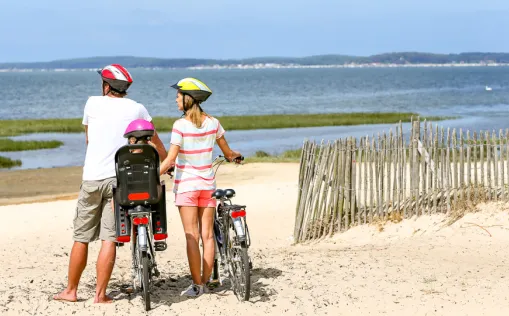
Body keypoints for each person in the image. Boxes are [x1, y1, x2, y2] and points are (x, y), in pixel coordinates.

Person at [54, 64, 167, 303]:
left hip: (92, 178)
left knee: (81, 237)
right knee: (109, 239)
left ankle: (71, 291)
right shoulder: (137, 108)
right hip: (119, 181)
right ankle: (100, 295)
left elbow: (88, 138)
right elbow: (154, 141)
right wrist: (167, 161)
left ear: (106, 85)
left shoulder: (91, 103)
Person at [159, 77, 241, 297]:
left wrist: (153, 175)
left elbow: (170, 160)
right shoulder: (214, 123)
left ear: (188, 99)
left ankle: (198, 286)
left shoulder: (180, 125)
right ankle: (206, 281)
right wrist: (235, 156)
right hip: (207, 186)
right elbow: (227, 152)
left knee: (191, 236)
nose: (176, 99)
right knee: (207, 236)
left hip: (186, 186)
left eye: (178, 95)